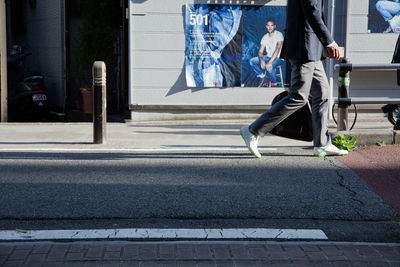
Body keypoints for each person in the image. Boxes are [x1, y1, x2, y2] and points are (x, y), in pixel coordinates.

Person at [240, 0, 348, 158]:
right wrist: (329, 41)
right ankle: (253, 130)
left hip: (310, 48)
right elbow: (312, 11)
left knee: (323, 93)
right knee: (299, 96)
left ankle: (322, 144)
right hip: (304, 47)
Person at [249, 18, 284, 87]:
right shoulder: (265, 37)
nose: (270, 27)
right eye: (268, 25)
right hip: (268, 57)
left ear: (274, 26)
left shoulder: (279, 34)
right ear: (266, 26)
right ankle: (263, 77)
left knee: (269, 67)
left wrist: (269, 62)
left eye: (271, 25)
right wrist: (262, 61)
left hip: (278, 58)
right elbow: (260, 51)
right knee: (252, 61)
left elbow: (278, 49)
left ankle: (274, 84)